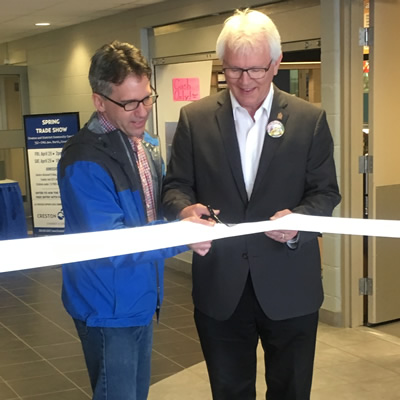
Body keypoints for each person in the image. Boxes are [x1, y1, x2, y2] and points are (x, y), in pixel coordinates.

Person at [162, 9, 341, 400]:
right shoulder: (196, 119)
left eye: (256, 70)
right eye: (234, 70)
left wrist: (300, 221)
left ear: (276, 64)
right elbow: (175, 186)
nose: (244, 81)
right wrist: (184, 211)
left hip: (291, 285)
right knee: (229, 391)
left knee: (291, 391)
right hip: (221, 287)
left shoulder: (309, 120)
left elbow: (326, 193)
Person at [57, 40, 213, 400]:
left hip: (141, 298)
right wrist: (182, 234)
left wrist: (182, 212)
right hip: (107, 309)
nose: (141, 111)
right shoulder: (83, 161)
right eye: (128, 103)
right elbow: (113, 242)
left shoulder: (143, 145)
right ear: (99, 101)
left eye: (146, 98)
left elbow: (152, 209)